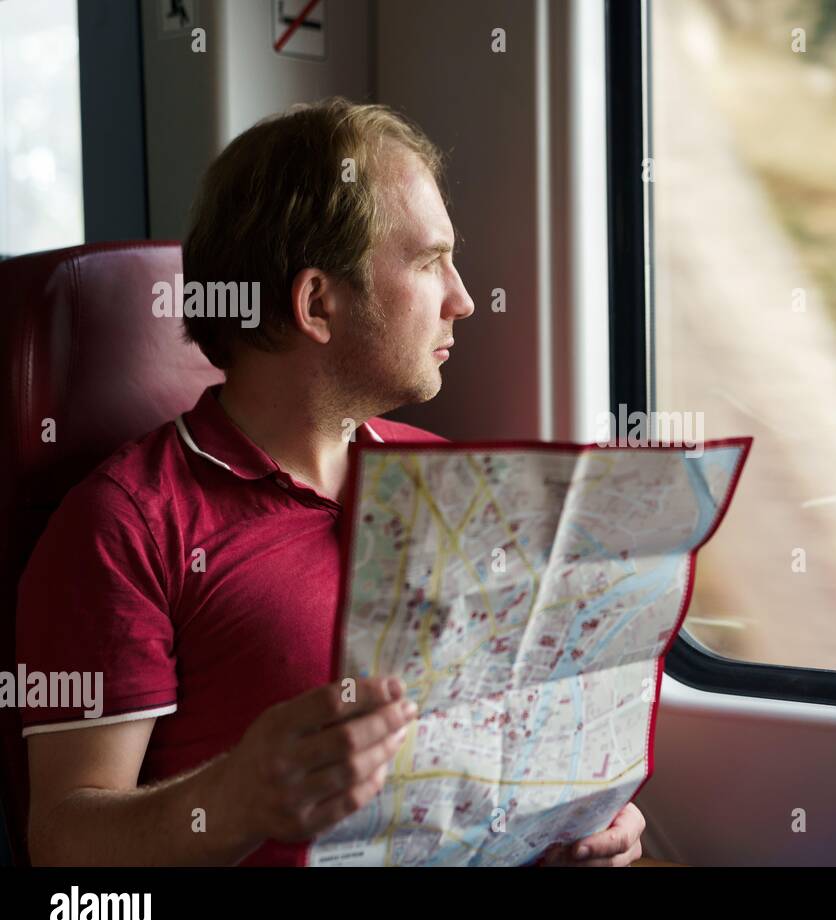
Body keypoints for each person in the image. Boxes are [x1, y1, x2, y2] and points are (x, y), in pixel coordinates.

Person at [18, 97, 645, 867]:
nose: (464, 298)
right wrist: (240, 796)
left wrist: (566, 821)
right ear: (317, 302)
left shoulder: (446, 481)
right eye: (428, 262)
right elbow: (62, 843)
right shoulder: (127, 525)